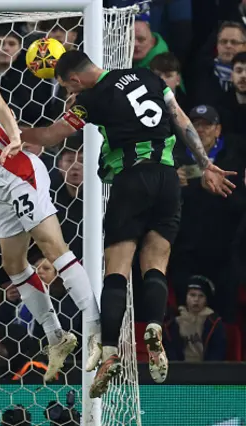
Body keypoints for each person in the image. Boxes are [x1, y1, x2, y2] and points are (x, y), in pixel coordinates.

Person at [20, 49, 236, 397]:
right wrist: (205, 163)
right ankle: (153, 325)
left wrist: (8, 131)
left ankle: (108, 351)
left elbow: (49, 137)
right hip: (167, 180)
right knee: (156, 266)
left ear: (74, 80)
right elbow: (180, 117)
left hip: (131, 180)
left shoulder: (91, 99)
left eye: (66, 87)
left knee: (117, 270)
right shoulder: (147, 75)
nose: (69, 94)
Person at [0, 20, 103, 383]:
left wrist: (13, 137)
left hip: (15, 169)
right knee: (13, 264)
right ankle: (56, 335)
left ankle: (95, 331)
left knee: (51, 245)